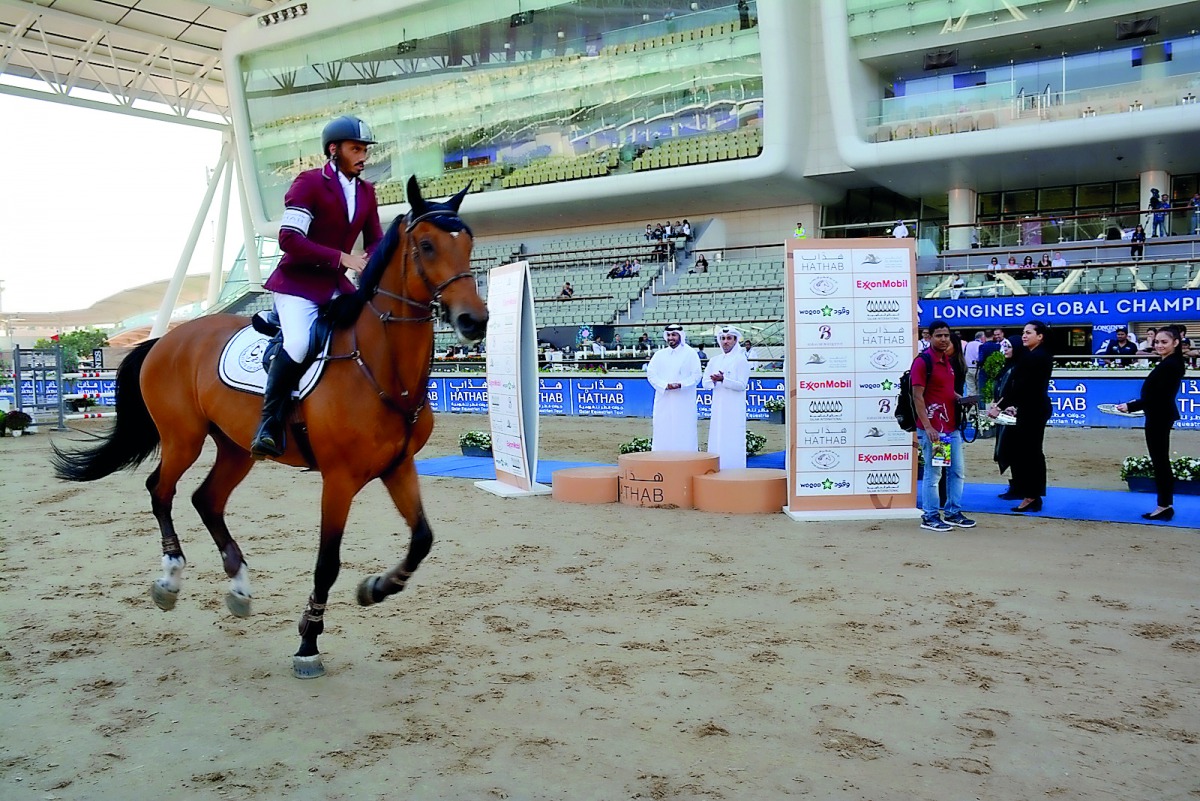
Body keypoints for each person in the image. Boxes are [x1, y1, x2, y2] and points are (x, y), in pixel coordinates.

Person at [252, 114, 383, 458]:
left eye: (364, 149)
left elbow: (375, 240)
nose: (363, 156)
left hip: (337, 284)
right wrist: (342, 258)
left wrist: (375, 259)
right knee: (298, 343)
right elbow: (289, 239)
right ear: (333, 149)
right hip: (297, 284)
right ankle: (269, 424)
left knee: (373, 328)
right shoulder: (308, 183)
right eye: (356, 149)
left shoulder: (367, 192)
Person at [1117, 326, 1187, 521]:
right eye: (1156, 342)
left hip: (1159, 415)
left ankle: (1164, 505)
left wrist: (1131, 406)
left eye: (1164, 342)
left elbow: (1159, 396)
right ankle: (1164, 504)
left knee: (1160, 461)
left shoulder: (1171, 365)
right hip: (1157, 414)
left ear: (1176, 342)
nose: (1159, 345)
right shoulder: (1168, 363)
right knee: (1160, 460)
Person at [911, 320, 974, 532]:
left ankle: (952, 512)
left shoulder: (946, 361)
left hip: (950, 427)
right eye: (939, 335)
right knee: (935, 472)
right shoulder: (923, 362)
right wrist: (928, 427)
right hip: (936, 430)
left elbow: (946, 391)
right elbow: (917, 397)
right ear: (929, 337)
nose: (944, 339)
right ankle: (930, 515)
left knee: (957, 472)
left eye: (946, 335)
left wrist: (961, 399)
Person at [989, 320, 1053, 513]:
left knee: (1030, 454)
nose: (1024, 336)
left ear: (1040, 336)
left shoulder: (1035, 357)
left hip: (1033, 410)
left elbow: (1021, 388)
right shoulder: (1034, 356)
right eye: (1023, 332)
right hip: (1031, 408)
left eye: (1029, 333)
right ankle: (1031, 494)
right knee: (1030, 453)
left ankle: (1031, 496)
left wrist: (1000, 406)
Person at [646, 324, 702, 451]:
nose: (671, 338)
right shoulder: (660, 354)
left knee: (684, 428)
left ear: (680, 336)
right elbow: (651, 374)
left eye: (674, 335)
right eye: (669, 335)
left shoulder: (690, 354)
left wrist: (681, 384)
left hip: (684, 400)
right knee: (663, 427)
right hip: (664, 399)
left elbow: (696, 376)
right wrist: (664, 385)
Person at [702, 326, 751, 470]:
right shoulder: (714, 360)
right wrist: (714, 380)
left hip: (734, 408)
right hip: (718, 406)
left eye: (729, 338)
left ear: (735, 340)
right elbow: (705, 383)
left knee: (733, 438)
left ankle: (735, 469)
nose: (725, 342)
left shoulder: (741, 360)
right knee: (717, 437)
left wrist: (724, 379)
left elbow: (742, 385)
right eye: (723, 338)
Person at [963, 331, 985, 400]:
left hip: (968, 369)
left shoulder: (968, 344)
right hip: (977, 369)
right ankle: (979, 408)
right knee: (979, 390)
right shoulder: (980, 345)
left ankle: (972, 409)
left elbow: (964, 355)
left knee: (970, 390)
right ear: (982, 337)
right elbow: (981, 357)